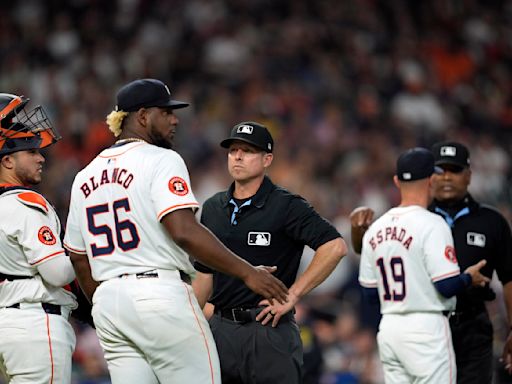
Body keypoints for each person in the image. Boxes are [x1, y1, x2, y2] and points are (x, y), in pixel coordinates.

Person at [62, 79, 288, 384]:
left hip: (109, 304)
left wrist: (104, 300)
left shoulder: (83, 176)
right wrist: (248, 272)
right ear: (142, 116)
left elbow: (78, 257)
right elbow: (183, 230)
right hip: (158, 295)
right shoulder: (161, 159)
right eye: (165, 112)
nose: (175, 119)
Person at [192, 121, 347, 384]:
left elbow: (335, 246)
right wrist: (188, 321)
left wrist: (294, 293)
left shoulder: (285, 205)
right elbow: (205, 274)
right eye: (233, 150)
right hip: (220, 328)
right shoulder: (212, 208)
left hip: (268, 329)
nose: (238, 156)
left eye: (248, 151)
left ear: (267, 159)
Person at [351, 142, 512, 383]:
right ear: (430, 178)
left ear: (469, 175)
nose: (446, 177)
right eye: (440, 170)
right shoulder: (428, 221)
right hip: (431, 324)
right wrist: (468, 278)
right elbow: (446, 285)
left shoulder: (490, 221)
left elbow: (509, 278)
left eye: (454, 170)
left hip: (464, 325)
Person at [0, 93, 77, 383]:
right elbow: (57, 272)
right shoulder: (25, 202)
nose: (41, 157)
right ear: (7, 160)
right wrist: (85, 251)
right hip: (34, 325)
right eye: (31, 151)